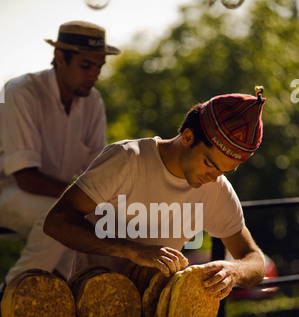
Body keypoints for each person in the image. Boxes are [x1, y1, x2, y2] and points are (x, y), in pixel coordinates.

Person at [43, 87, 266, 300]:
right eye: (209, 163)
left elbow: (255, 260)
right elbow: (56, 222)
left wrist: (233, 270)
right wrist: (131, 250)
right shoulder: (126, 159)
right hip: (90, 313)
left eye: (225, 170)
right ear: (188, 137)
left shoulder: (216, 187)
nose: (214, 177)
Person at [0, 21, 120, 289]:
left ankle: (68, 299)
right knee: (58, 217)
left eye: (99, 67)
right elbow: (25, 178)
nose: (94, 75)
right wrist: (83, 199)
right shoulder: (21, 91)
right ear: (60, 58)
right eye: (86, 66)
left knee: (103, 222)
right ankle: (10, 298)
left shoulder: (94, 102)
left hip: (55, 194)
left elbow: (97, 172)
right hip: (7, 191)